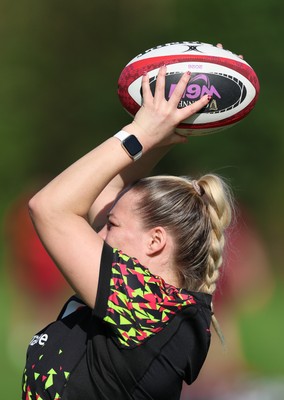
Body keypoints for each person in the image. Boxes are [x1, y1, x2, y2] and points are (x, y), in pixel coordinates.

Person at [22, 65, 233, 400]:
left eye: (113, 225)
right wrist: (171, 128)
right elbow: (103, 193)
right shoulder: (151, 308)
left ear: (155, 241)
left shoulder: (150, 309)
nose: (98, 232)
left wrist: (141, 134)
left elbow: (49, 208)